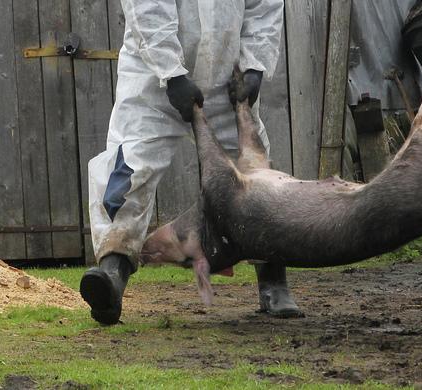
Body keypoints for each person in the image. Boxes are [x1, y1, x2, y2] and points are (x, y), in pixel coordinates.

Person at [79, 0, 301, 325]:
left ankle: (273, 281)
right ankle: (112, 273)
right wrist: (171, 73)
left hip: (228, 80)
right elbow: (146, 6)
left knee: (253, 173)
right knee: (130, 167)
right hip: (152, 80)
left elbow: (263, 6)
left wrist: (254, 67)